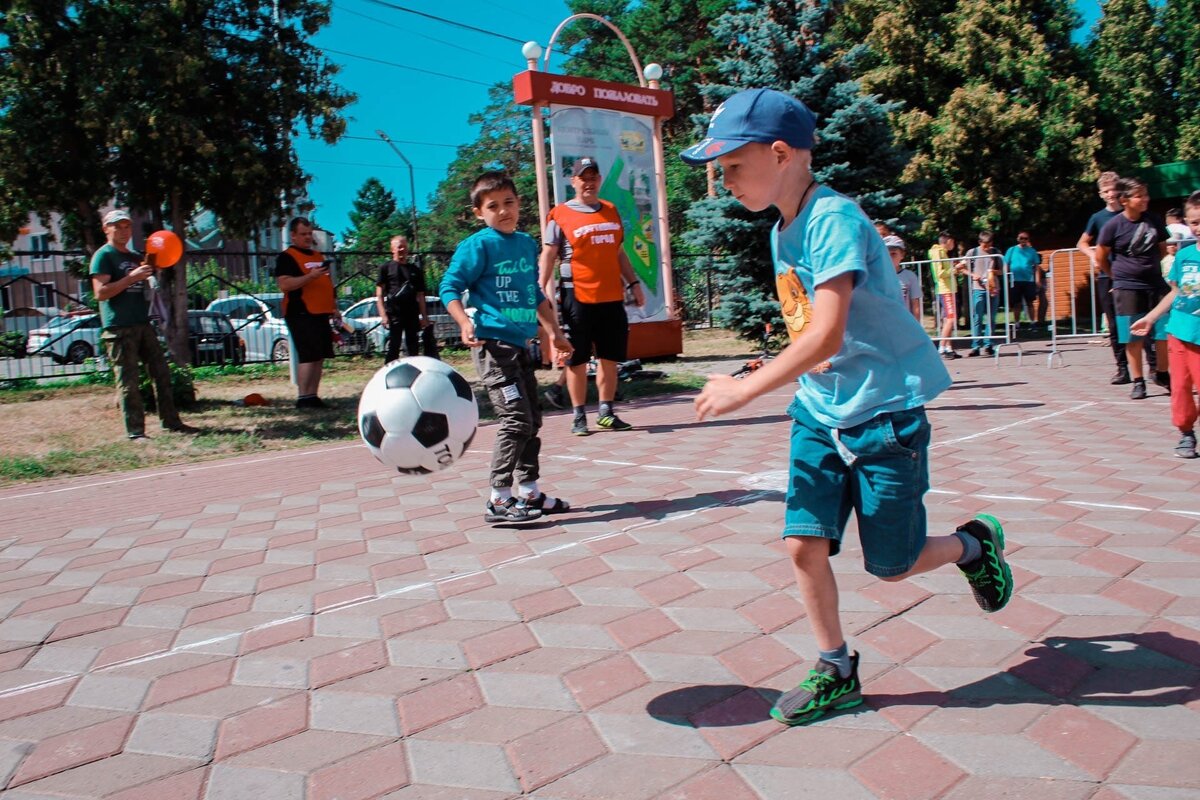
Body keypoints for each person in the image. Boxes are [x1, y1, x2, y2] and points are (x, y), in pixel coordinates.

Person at [680, 88, 1012, 726]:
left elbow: (828, 334)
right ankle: (835, 668)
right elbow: (810, 327)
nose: (724, 181)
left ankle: (973, 546)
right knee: (802, 544)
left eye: (732, 166)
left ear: (781, 154)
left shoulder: (833, 219)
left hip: (884, 415)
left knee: (893, 565)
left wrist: (745, 389)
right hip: (819, 411)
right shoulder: (781, 230)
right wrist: (777, 367)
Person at [440, 171, 574, 523]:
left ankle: (529, 493)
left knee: (532, 421)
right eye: (493, 206)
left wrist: (555, 333)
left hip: (520, 346)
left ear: (519, 204)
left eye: (509, 203)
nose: (503, 211)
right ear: (478, 212)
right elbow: (449, 287)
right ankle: (499, 499)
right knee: (515, 420)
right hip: (493, 347)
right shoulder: (478, 245)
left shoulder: (526, 244)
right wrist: (464, 322)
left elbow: (534, 294)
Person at [539, 156, 646, 436]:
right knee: (577, 359)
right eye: (582, 178)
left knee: (609, 357)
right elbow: (549, 254)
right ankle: (578, 416)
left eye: (593, 177)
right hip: (577, 295)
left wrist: (634, 283)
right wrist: (541, 287)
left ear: (599, 180)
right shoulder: (560, 214)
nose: (588, 183)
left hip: (611, 296)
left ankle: (606, 412)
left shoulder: (610, 210)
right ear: (573, 181)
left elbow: (619, 253)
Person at [90, 209, 196, 440]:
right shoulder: (104, 256)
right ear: (106, 229)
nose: (123, 231)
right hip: (119, 327)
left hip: (142, 323)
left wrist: (151, 274)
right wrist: (132, 278)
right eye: (117, 226)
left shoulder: (134, 256)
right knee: (129, 381)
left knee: (162, 372)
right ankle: (135, 432)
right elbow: (100, 293)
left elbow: (144, 284)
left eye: (127, 226)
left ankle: (171, 422)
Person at [1131, 191, 1200, 458]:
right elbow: (1175, 292)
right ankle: (1186, 433)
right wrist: (1151, 317)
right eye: (1194, 222)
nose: (1198, 228)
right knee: (1180, 388)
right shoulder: (1184, 256)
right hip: (1179, 333)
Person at [1095, 177, 1171, 400]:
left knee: (1163, 332)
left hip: (1156, 284)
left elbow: (1162, 249)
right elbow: (1101, 257)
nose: (1145, 199)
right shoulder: (1113, 226)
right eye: (1140, 196)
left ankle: (1162, 373)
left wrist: (1150, 269)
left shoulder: (1153, 220)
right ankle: (1138, 381)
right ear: (1125, 200)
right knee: (1132, 336)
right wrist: (1116, 277)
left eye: (1146, 194)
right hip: (1127, 287)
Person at [1078, 172, 1139, 384]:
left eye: (1113, 189)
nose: (1111, 194)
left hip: (1130, 274)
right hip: (1106, 274)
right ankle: (1122, 368)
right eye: (1106, 191)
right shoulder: (1097, 218)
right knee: (1113, 324)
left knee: (1136, 320)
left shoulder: (1130, 213)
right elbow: (1082, 243)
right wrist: (1094, 256)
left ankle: (1151, 366)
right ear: (1101, 194)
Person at [274, 217, 342, 408]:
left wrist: (334, 307)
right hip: (301, 312)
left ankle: (313, 395)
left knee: (319, 355)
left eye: (309, 234)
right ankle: (303, 397)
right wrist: (309, 277)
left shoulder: (317, 256)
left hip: (321, 312)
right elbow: (285, 284)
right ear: (293, 235)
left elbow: (327, 284)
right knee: (308, 355)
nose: (307, 237)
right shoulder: (287, 257)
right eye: (303, 234)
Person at [375, 235, 431, 362]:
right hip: (394, 314)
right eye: (399, 247)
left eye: (404, 247)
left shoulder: (415, 270)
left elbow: (421, 295)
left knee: (413, 346)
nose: (402, 250)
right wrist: (383, 315)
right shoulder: (385, 268)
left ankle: (413, 370)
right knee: (394, 346)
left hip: (412, 314)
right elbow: (379, 294)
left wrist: (424, 317)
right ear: (392, 249)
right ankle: (389, 371)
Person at [964, 231, 1003, 356]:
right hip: (978, 288)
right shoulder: (972, 252)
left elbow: (1002, 271)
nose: (987, 247)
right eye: (985, 245)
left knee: (991, 317)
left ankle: (988, 344)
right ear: (979, 242)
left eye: (989, 244)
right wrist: (973, 275)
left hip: (993, 288)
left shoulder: (996, 252)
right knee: (977, 317)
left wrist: (993, 272)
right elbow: (962, 268)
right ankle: (976, 346)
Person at [930, 231, 964, 359]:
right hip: (945, 290)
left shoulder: (943, 253)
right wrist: (955, 269)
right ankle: (941, 348)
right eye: (953, 242)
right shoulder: (937, 252)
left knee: (947, 320)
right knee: (950, 319)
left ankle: (948, 348)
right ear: (948, 241)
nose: (954, 244)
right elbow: (940, 273)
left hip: (948, 289)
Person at [1004, 231, 1042, 328]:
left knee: (1030, 303)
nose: (1023, 240)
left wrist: (1037, 280)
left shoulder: (1032, 251)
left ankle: (1032, 323)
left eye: (1026, 238)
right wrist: (1006, 277)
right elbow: (1006, 264)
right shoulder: (1011, 250)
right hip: (1014, 281)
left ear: (1028, 239)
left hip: (1029, 280)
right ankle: (1017, 323)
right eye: (1021, 238)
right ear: (1018, 239)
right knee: (1016, 304)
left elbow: (1037, 267)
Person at [885, 235, 921, 322]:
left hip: (903, 323)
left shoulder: (909, 276)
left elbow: (915, 305)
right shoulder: (876, 276)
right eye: (886, 254)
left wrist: (915, 326)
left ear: (902, 255)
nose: (889, 258)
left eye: (893, 254)